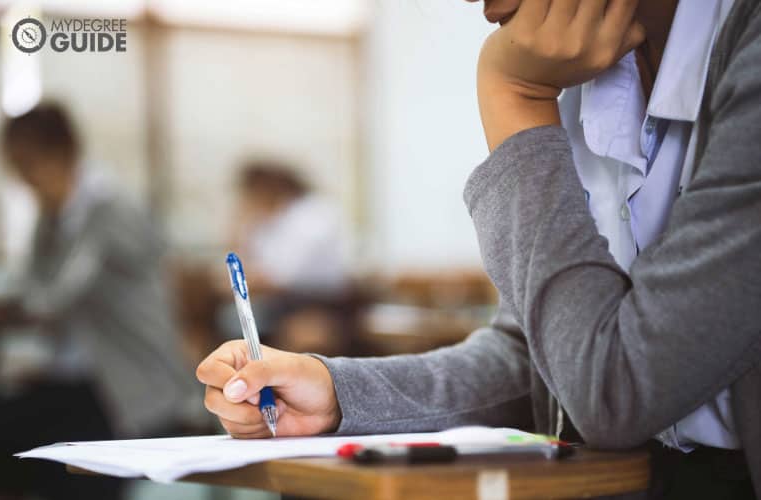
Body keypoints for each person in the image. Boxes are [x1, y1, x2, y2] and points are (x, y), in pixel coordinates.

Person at [196, 1, 761, 498]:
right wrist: (338, 394)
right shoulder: (584, 79)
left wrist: (514, 96)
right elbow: (536, 360)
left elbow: (617, 389)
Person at [0, 103, 204, 500]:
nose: (24, 180)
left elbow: (52, 297)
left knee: (39, 454)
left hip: (130, 386)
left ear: (63, 154)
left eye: (28, 166)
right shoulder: (54, 214)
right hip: (82, 380)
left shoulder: (109, 207)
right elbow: (32, 285)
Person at [219, 159, 351, 354]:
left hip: (318, 303)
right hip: (284, 301)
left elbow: (282, 276)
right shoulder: (271, 218)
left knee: (235, 322)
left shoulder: (311, 215)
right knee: (231, 319)